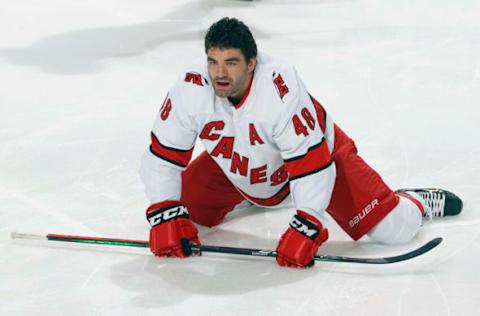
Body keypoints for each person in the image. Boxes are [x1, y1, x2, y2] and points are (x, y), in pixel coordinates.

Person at [139, 17, 463, 268]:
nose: (220, 73)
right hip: (240, 160)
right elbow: (163, 155)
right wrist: (164, 210)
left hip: (321, 157)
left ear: (252, 62)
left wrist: (308, 222)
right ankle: (256, 193)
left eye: (232, 62)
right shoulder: (191, 86)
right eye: (213, 61)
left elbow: (312, 164)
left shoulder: (279, 87)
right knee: (189, 208)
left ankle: (413, 202)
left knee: (393, 231)